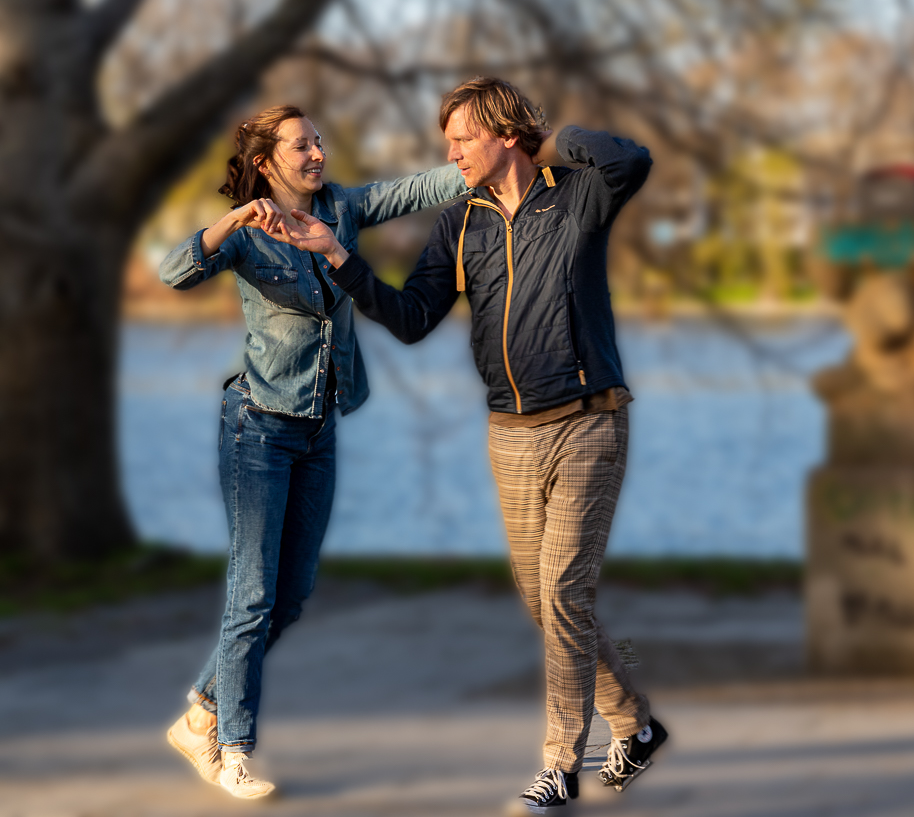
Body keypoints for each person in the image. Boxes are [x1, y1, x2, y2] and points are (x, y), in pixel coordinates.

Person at [275, 77, 666, 813]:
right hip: (510, 434)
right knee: (546, 602)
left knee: (562, 593)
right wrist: (338, 256)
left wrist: (559, 137)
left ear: (506, 134)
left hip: (589, 420)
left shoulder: (579, 192)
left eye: (462, 137)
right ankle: (636, 726)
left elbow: (633, 160)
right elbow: (413, 316)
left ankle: (560, 766)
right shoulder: (460, 223)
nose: (449, 151)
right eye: (447, 139)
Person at [158, 104, 466, 800]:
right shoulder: (247, 235)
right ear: (267, 162)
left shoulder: (341, 209)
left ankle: (202, 711)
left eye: (319, 140)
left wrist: (480, 163)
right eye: (302, 145)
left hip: (319, 424)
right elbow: (175, 271)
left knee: (291, 594)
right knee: (253, 591)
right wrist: (235, 220)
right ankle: (233, 749)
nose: (317, 153)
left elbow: (417, 190)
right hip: (257, 427)